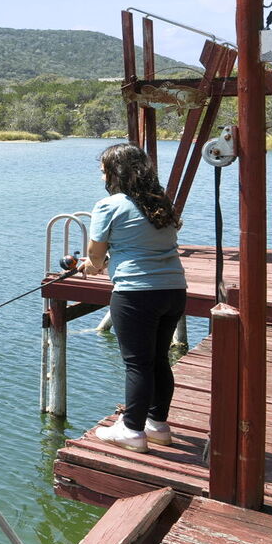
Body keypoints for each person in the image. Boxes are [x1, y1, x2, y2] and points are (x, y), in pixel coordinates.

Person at [81, 143, 187, 453]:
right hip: (173, 290)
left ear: (116, 173)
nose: (101, 175)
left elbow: (95, 256)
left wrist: (92, 266)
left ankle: (131, 429)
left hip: (135, 294)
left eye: (103, 170)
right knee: (158, 361)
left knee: (137, 364)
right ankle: (157, 425)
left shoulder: (109, 205)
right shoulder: (161, 202)